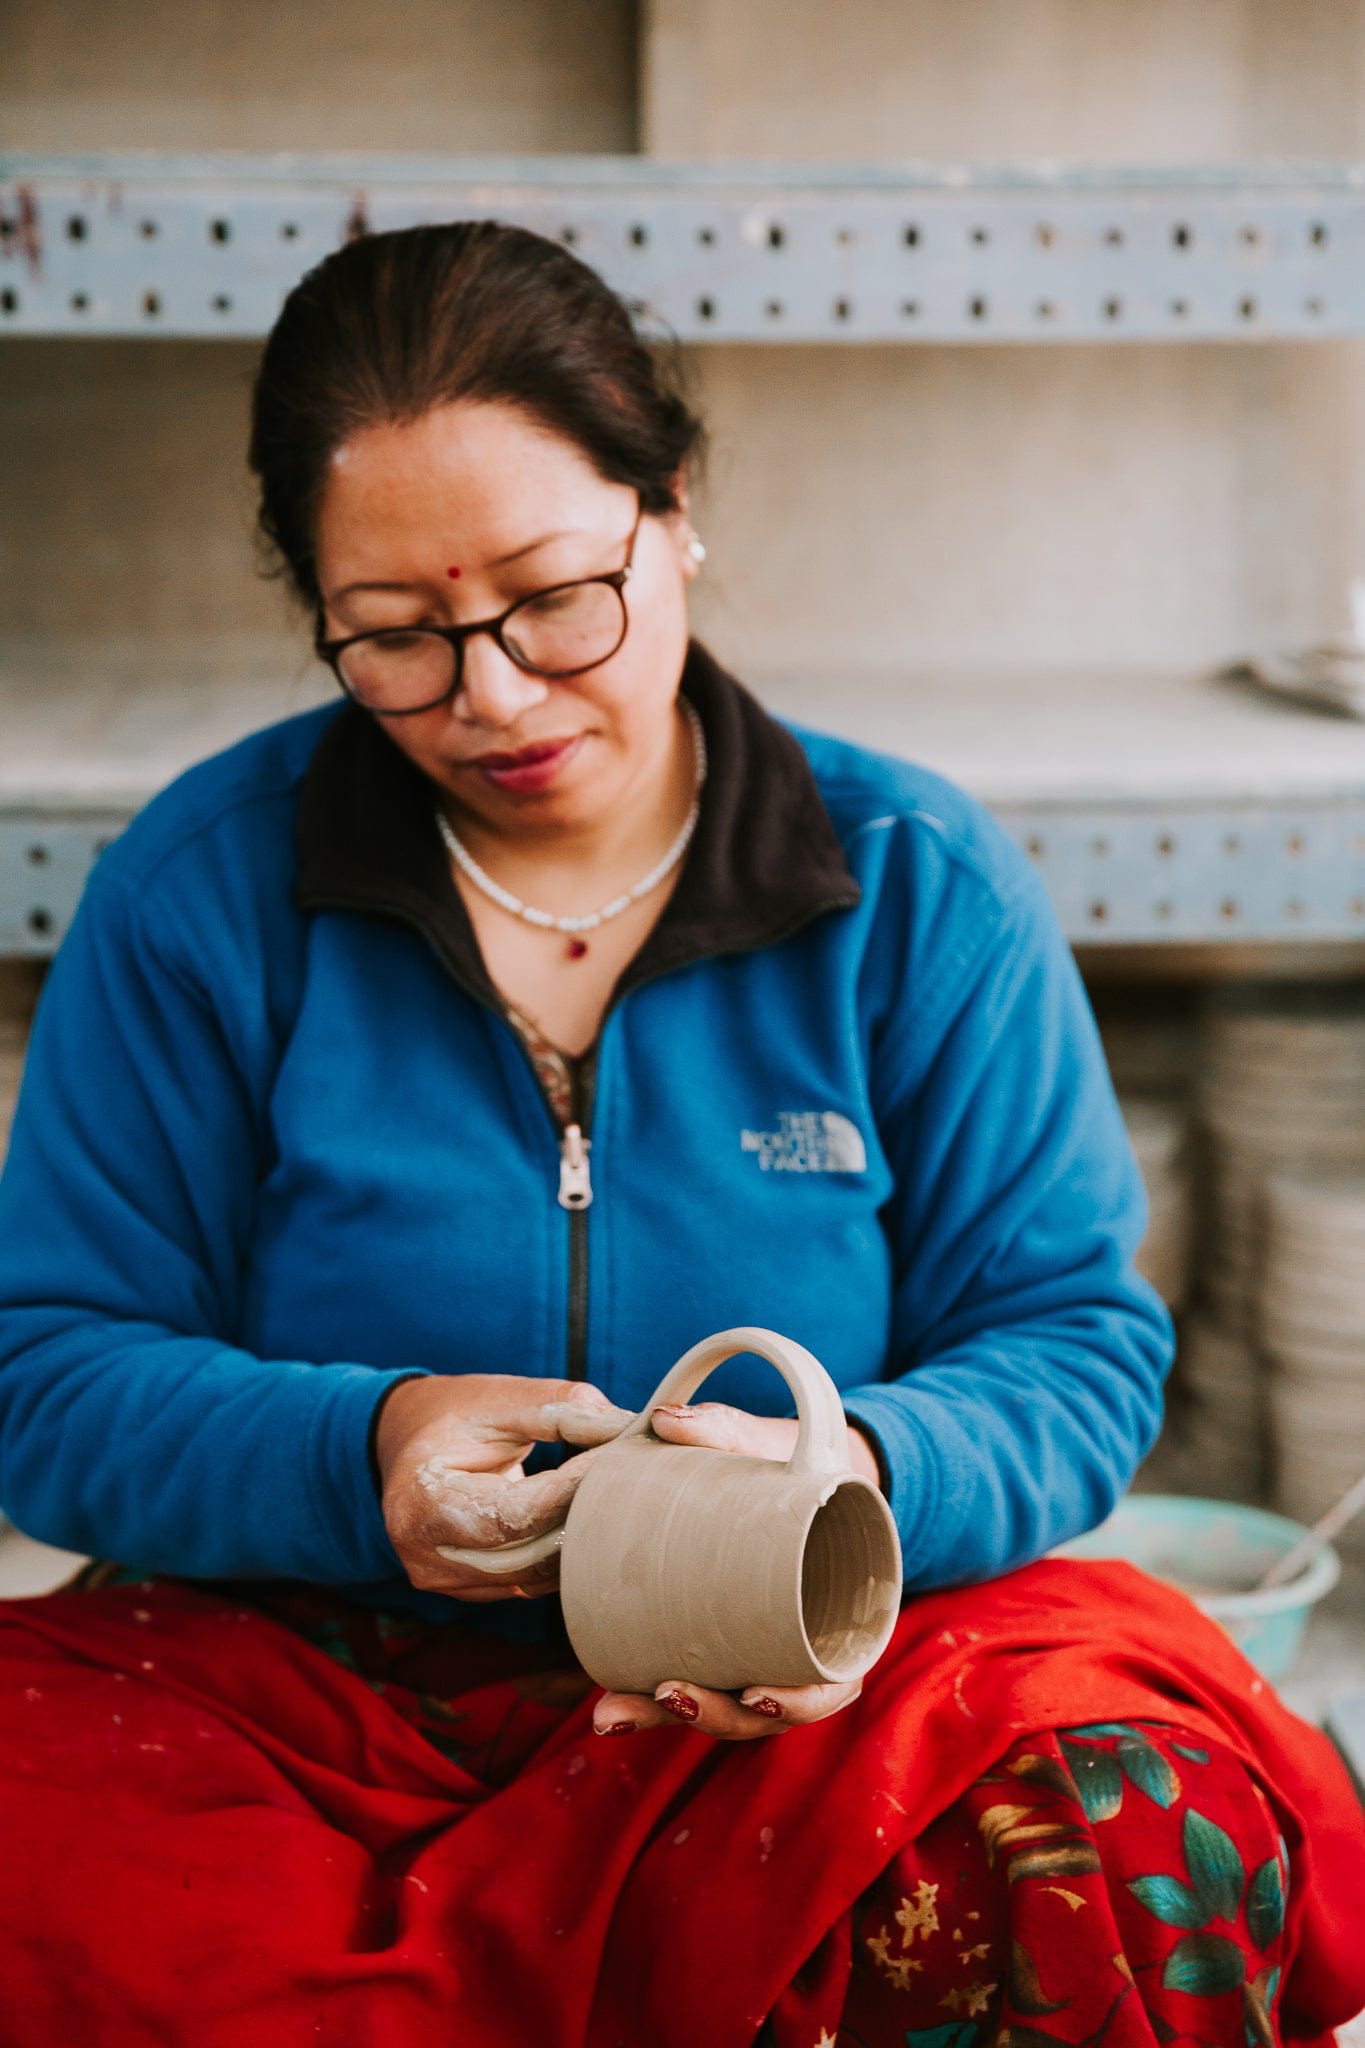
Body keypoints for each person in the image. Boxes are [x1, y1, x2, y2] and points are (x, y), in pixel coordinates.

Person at [0, 221, 1361, 2047]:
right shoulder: (203, 890)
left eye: (558, 599)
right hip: (310, 1680)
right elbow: (49, 1371)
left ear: (674, 511)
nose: (490, 696)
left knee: (1123, 1832)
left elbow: (1073, 1341)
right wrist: (366, 1449)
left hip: (815, 1677)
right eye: (396, 640)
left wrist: (846, 1489)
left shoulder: (910, 887)